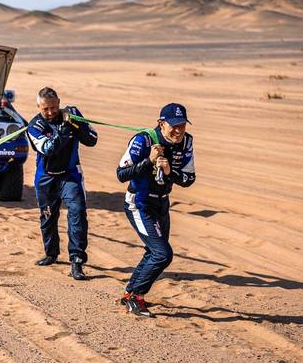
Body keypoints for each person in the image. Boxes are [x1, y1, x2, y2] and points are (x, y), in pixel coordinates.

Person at [116, 103, 196, 317]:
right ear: (161, 123)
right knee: (162, 254)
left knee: (155, 252)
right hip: (139, 202)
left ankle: (130, 293)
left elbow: (189, 179)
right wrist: (148, 161)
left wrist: (170, 172)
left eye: (182, 125)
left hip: (162, 203)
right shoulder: (143, 140)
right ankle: (135, 297)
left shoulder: (187, 142)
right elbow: (121, 174)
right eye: (174, 125)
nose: (178, 130)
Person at [26, 87, 98, 280]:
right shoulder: (34, 126)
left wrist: (75, 123)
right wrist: (66, 129)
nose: (50, 112)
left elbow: (92, 139)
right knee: (48, 215)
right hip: (46, 177)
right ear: (38, 107)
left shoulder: (72, 114)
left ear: (59, 102)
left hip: (70, 174)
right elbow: (49, 148)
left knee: (77, 212)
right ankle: (51, 253)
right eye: (45, 109)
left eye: (53, 107)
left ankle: (77, 260)